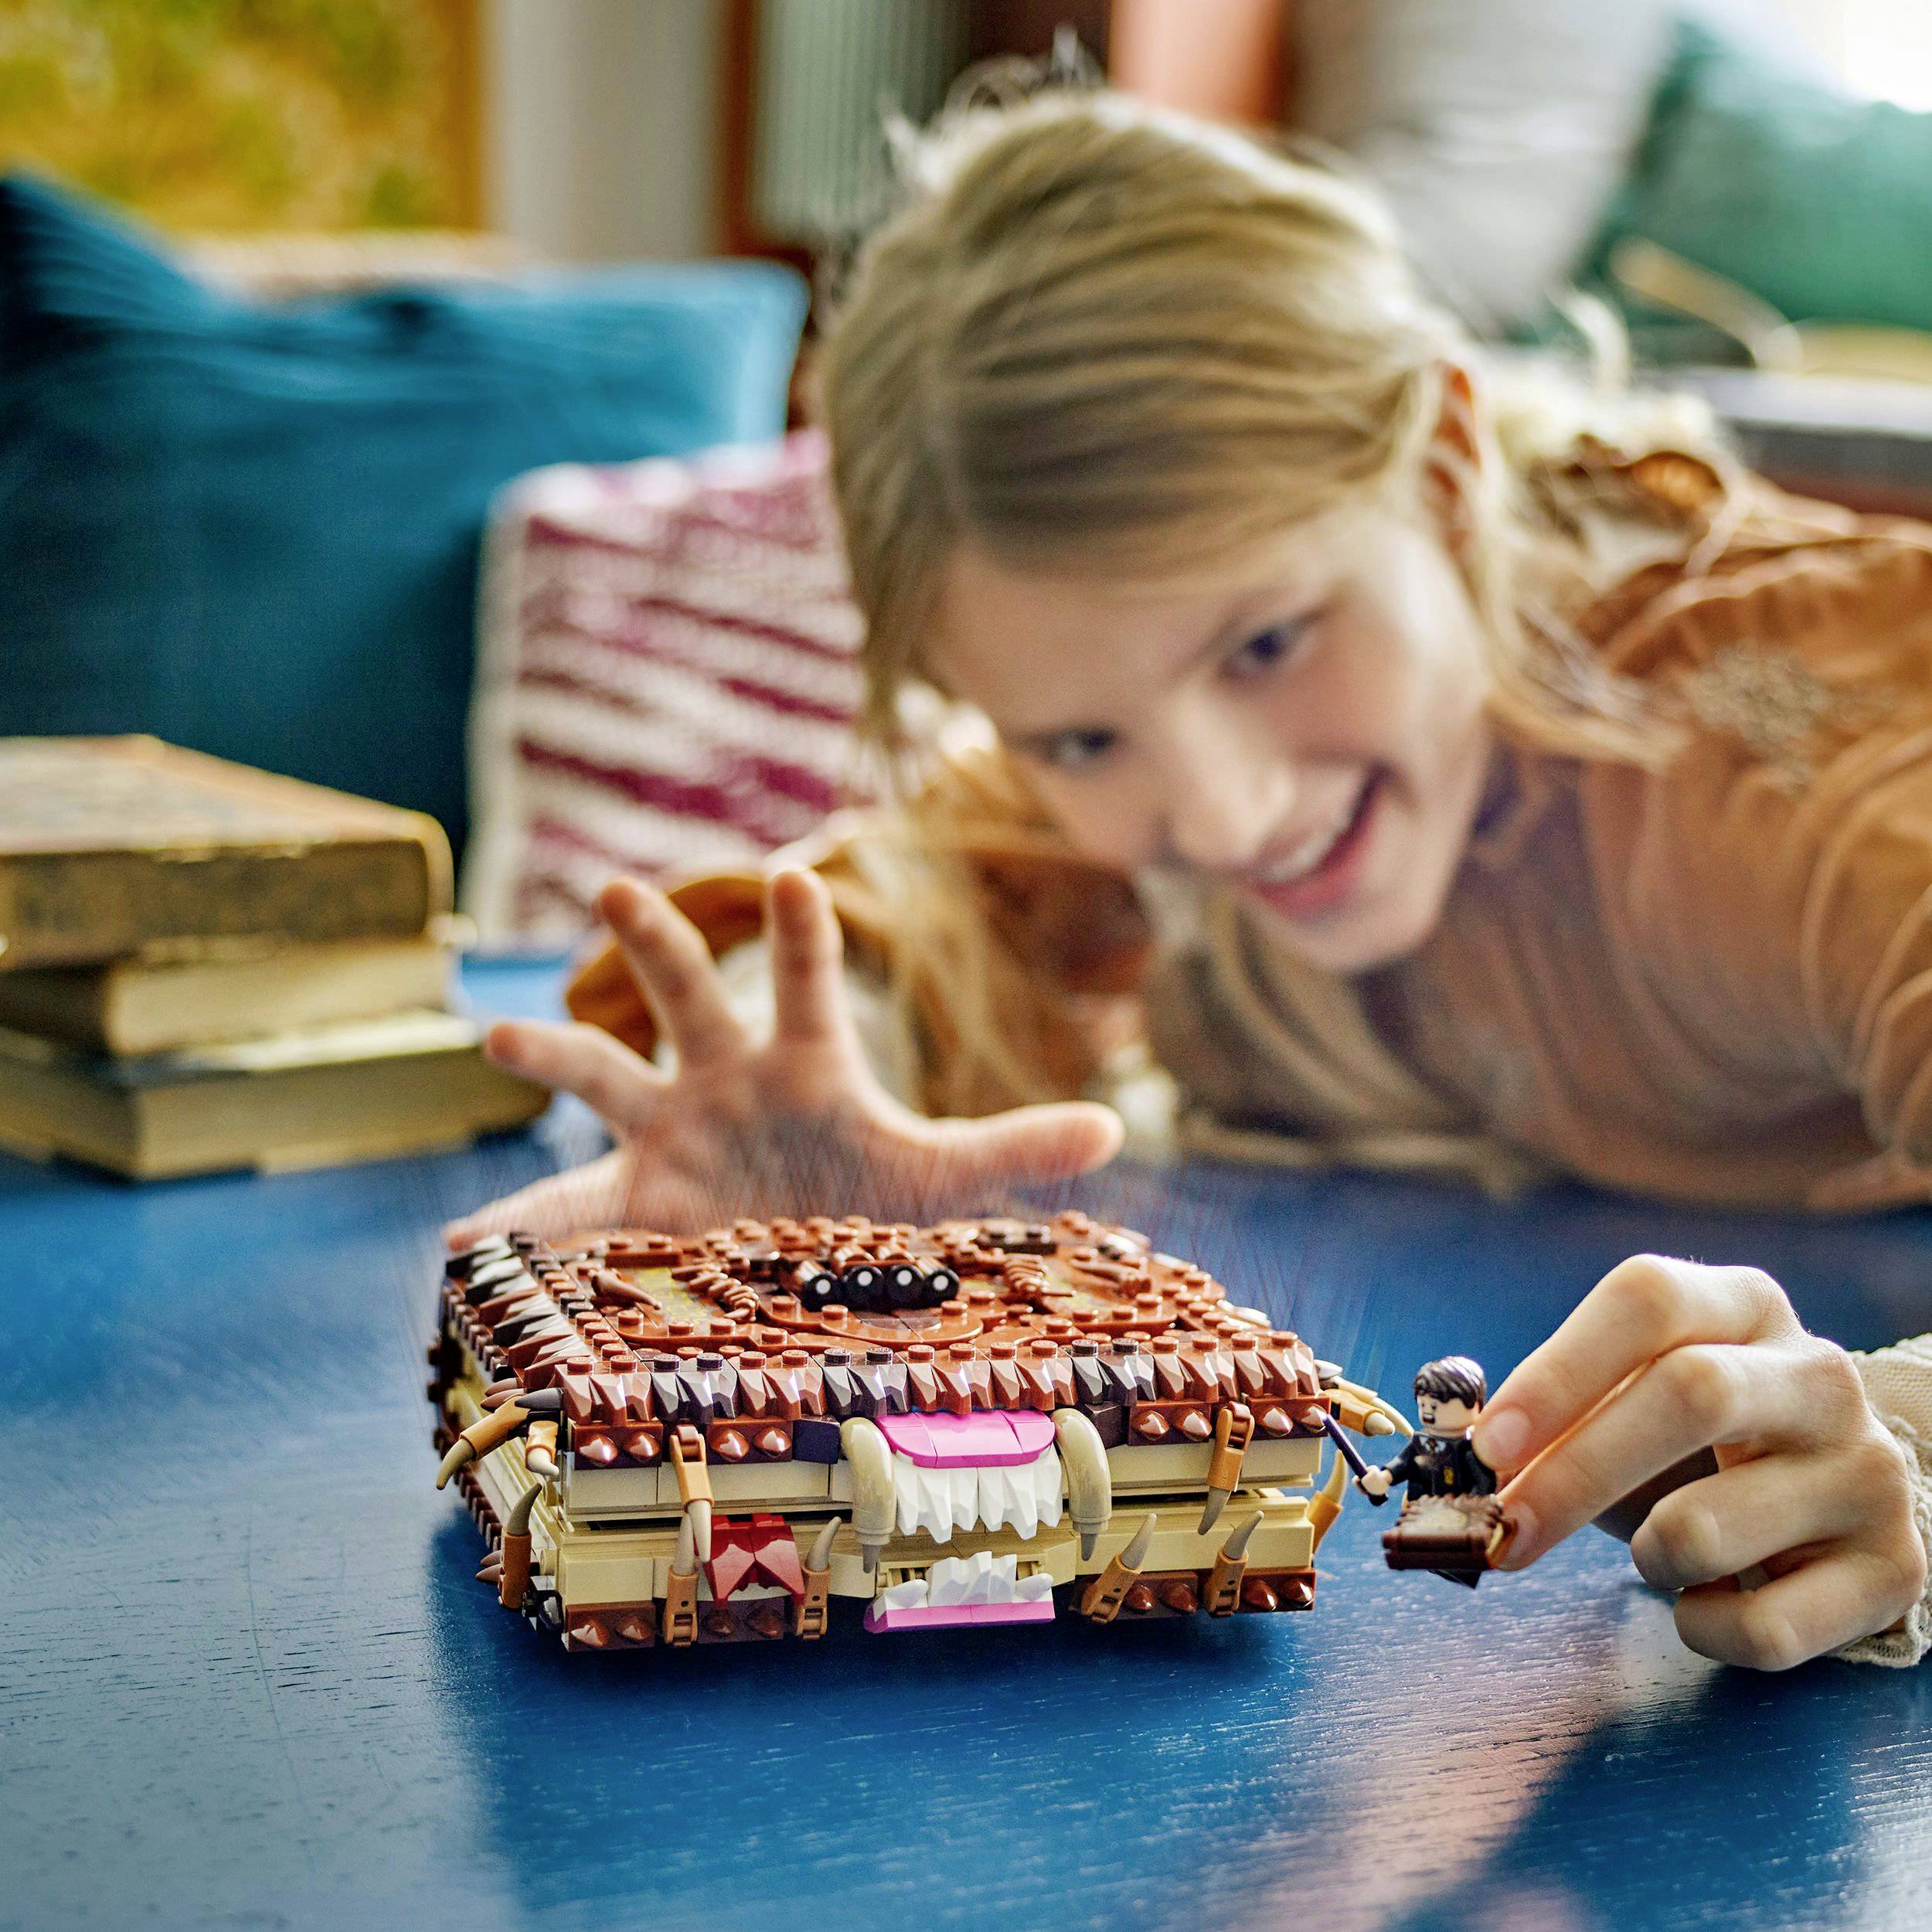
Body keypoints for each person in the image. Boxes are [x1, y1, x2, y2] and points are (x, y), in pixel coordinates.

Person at [445, 89, 1930, 1671]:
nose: (1219, 816)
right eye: (1080, 736)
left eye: (1267, 641)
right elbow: (920, 891)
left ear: (1435, 466)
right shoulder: (1159, 765)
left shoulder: (1780, 764)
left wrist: (1899, 1437)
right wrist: (805, 1095)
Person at [1358, 1358, 1498, 1505]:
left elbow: (1483, 1484)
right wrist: (1383, 1478)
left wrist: (1470, 1507)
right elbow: (1402, 1464)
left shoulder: (1470, 1450)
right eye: (1423, 1404)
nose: (1428, 1413)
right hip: (1418, 1513)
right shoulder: (1420, 1444)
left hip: (1457, 1519)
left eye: (1435, 1407)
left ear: (1476, 1405)